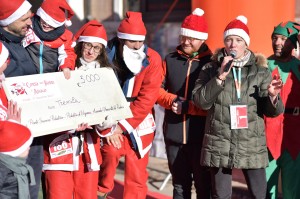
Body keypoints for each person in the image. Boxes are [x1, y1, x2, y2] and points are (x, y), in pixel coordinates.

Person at [192, 15, 284, 199]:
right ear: (224, 43)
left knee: (259, 194)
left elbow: (273, 112)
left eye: (238, 40)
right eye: (229, 40)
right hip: (219, 140)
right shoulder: (210, 68)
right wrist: (219, 77)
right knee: (221, 195)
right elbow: (200, 101)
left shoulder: (260, 71)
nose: (233, 44)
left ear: (246, 44)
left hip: (251, 141)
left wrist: (273, 96)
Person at [42, 20, 110, 199]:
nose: (91, 52)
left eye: (96, 48)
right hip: (59, 146)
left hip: (88, 148)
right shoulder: (63, 69)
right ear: (80, 45)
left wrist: (106, 121)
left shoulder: (106, 75)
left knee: (86, 196)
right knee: (58, 194)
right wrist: (70, 124)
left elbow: (110, 112)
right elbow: (51, 109)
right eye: (88, 45)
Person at [97, 11, 163, 199]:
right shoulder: (104, 55)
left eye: (140, 42)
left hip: (138, 120)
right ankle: (100, 191)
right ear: (120, 40)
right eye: (131, 42)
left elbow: (147, 98)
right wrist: (109, 128)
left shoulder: (153, 59)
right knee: (108, 155)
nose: (136, 46)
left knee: (137, 171)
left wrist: (122, 127)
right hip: (109, 116)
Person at [156, 8, 211, 199]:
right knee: (179, 186)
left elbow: (214, 103)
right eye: (183, 36)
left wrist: (190, 107)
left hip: (202, 138)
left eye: (192, 38)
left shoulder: (211, 63)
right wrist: (172, 100)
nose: (186, 41)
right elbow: (156, 90)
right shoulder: (169, 59)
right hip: (174, 135)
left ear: (202, 38)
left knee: (204, 187)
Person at [0, 1, 42, 198]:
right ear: (7, 21)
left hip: (32, 131)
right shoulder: (4, 48)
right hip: (9, 140)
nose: (30, 22)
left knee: (30, 188)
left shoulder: (22, 41)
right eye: (24, 18)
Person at [265, 21, 300, 199]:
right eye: (275, 38)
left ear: (294, 43)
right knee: (264, 190)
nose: (277, 42)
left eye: (283, 39)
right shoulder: (262, 66)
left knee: (292, 190)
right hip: (267, 134)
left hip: (295, 136)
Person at [23, 0, 76, 79]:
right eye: (44, 19)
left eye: (52, 22)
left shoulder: (63, 37)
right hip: (28, 76)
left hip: (50, 76)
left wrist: (66, 66)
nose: (46, 24)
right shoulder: (29, 27)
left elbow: (67, 53)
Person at [0, 121, 35, 199]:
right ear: (16, 151)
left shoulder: (17, 164)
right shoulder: (3, 168)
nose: (29, 148)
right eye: (25, 146)